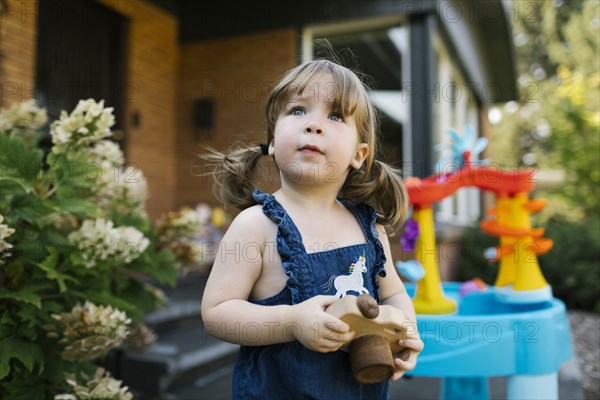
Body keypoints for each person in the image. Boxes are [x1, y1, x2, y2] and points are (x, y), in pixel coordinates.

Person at [201, 58, 423, 399]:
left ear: (358, 154)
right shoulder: (256, 226)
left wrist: (405, 329)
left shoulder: (369, 228)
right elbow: (216, 313)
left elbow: (393, 294)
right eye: (298, 110)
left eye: (334, 116)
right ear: (273, 141)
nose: (314, 125)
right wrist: (291, 322)